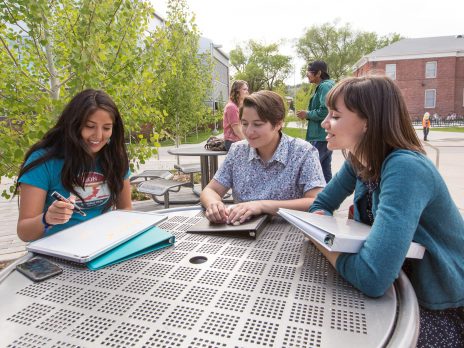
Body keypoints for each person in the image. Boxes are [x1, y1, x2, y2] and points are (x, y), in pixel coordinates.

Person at [308, 76, 464, 347]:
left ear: (367, 121)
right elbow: (320, 206)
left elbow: (372, 277)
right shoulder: (359, 159)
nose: (324, 123)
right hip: (399, 288)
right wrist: (320, 226)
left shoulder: (406, 168)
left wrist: (322, 241)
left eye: (334, 116)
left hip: (439, 305)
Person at [16, 89, 132, 242]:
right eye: (90, 126)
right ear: (73, 124)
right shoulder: (44, 160)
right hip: (56, 251)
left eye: (106, 128)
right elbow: (24, 232)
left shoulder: (115, 157)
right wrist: (47, 218)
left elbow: (126, 210)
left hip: (104, 245)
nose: (98, 136)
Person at [201, 90, 326, 225]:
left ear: (278, 124)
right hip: (241, 233)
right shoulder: (238, 150)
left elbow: (315, 201)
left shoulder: (302, 152)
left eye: (257, 124)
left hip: (288, 234)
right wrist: (214, 204)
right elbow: (211, 190)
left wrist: (261, 205)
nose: (249, 132)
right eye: (244, 123)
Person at [297, 60, 335, 183]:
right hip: (323, 136)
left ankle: (310, 199)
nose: (307, 74)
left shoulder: (324, 86)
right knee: (324, 170)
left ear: (318, 73)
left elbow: (325, 111)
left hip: (320, 136)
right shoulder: (325, 86)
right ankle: (330, 199)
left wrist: (307, 114)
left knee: (311, 167)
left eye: (309, 71)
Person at [223, 80, 248, 151]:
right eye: (244, 89)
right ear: (237, 91)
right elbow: (237, 130)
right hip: (232, 142)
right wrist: (248, 142)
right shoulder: (231, 107)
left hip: (238, 140)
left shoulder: (239, 106)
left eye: (247, 89)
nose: (246, 91)